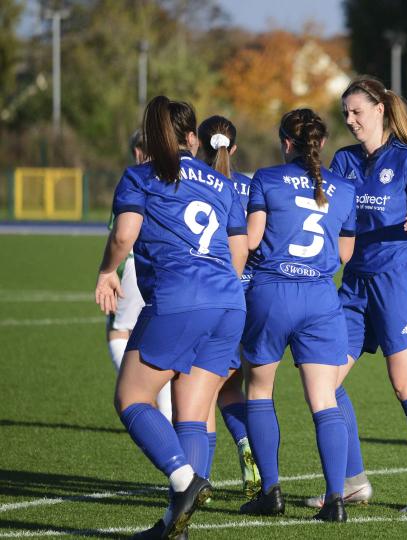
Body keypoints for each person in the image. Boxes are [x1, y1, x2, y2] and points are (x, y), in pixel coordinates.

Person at [94, 96, 248, 539]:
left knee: (133, 400)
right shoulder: (222, 183)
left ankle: (185, 480)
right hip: (229, 303)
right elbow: (238, 251)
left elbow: (124, 233)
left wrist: (107, 272)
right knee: (192, 418)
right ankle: (174, 528)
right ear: (193, 138)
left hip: (180, 298)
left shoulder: (141, 176)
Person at [307, 76, 407, 513]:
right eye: (345, 113)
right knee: (325, 381)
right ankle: (353, 483)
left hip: (398, 281)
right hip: (354, 284)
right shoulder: (344, 161)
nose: (350, 120)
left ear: (380, 111)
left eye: (357, 112)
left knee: (406, 384)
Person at [238, 108, 357, 523]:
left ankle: (270, 493)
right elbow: (345, 254)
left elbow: (251, 238)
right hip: (322, 300)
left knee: (258, 392)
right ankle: (335, 501)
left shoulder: (266, 179)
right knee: (325, 401)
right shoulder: (344, 188)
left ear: (285, 142)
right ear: (321, 144)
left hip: (271, 293)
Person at [196, 115, 261, 499]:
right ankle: (247, 448)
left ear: (197, 145)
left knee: (198, 389)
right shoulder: (251, 185)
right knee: (229, 387)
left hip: (210, 297)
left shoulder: (191, 184)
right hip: (252, 299)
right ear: (232, 149)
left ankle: (197, 477)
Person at [105, 130, 172, 423]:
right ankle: (169, 412)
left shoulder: (135, 179)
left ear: (137, 151)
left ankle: (141, 398)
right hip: (167, 267)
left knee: (118, 332)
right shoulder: (171, 178)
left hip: (134, 264)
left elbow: (121, 234)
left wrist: (109, 271)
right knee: (158, 342)